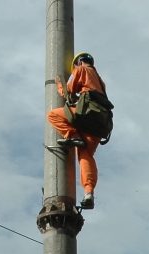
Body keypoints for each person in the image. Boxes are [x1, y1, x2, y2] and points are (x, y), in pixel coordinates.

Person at [46, 52, 108, 210]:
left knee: (53, 115)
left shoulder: (80, 70)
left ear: (79, 62)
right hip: (101, 123)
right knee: (85, 155)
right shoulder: (100, 81)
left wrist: (59, 84)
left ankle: (73, 135)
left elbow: (68, 91)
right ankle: (89, 192)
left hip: (87, 115)